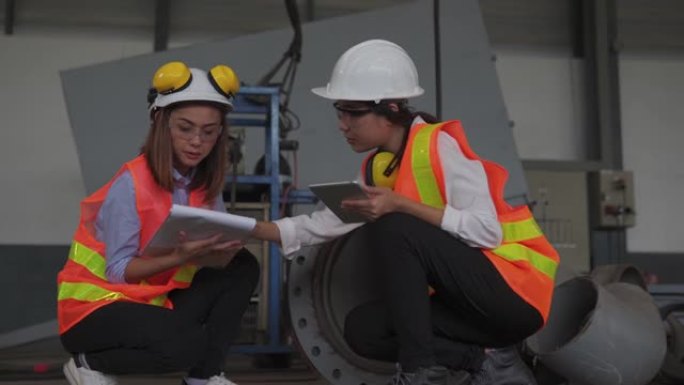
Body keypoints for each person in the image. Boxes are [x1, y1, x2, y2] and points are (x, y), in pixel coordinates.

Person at [250, 39, 559, 385]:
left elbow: (487, 232)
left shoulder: (439, 145)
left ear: (392, 108)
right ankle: (488, 362)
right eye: (340, 111)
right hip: (465, 308)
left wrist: (400, 204)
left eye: (352, 112)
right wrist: (248, 229)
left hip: (513, 295)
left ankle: (418, 374)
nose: (342, 124)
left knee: (394, 226)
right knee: (363, 330)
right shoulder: (375, 168)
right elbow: (319, 226)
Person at [57, 61, 260, 385]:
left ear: (220, 132)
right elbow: (118, 270)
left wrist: (221, 251)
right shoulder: (132, 183)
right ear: (160, 121)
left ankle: (204, 378)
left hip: (150, 298)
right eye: (185, 128)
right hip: (95, 309)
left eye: (209, 131)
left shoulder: (205, 186)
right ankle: (88, 361)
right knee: (188, 344)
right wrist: (184, 256)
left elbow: (206, 259)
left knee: (243, 265)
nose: (197, 141)